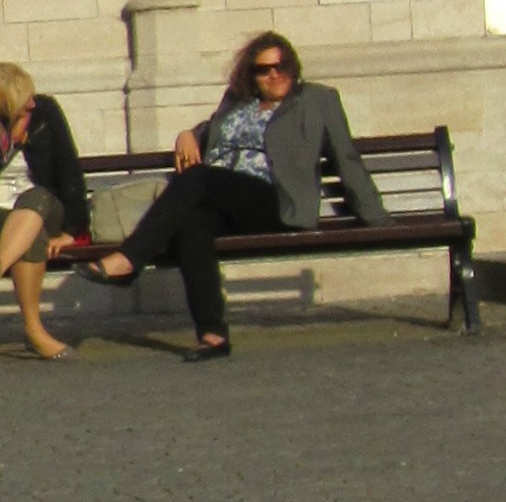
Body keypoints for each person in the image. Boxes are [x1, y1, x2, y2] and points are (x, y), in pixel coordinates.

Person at [93, 29, 387, 360]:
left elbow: (346, 158)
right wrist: (187, 133)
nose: (274, 75)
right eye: (264, 69)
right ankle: (213, 335)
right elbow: (213, 130)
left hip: (275, 201)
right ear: (252, 74)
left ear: (293, 67)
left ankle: (130, 259)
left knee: (199, 177)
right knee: (193, 221)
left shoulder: (318, 100)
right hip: (225, 199)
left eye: (281, 66)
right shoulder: (237, 101)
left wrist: (378, 220)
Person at [0, 59, 91, 361]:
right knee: (30, 237)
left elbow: (69, 170)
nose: (33, 103)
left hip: (48, 207)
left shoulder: (45, 114)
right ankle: (35, 331)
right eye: (24, 101)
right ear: (2, 105)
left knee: (37, 197)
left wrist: (73, 231)